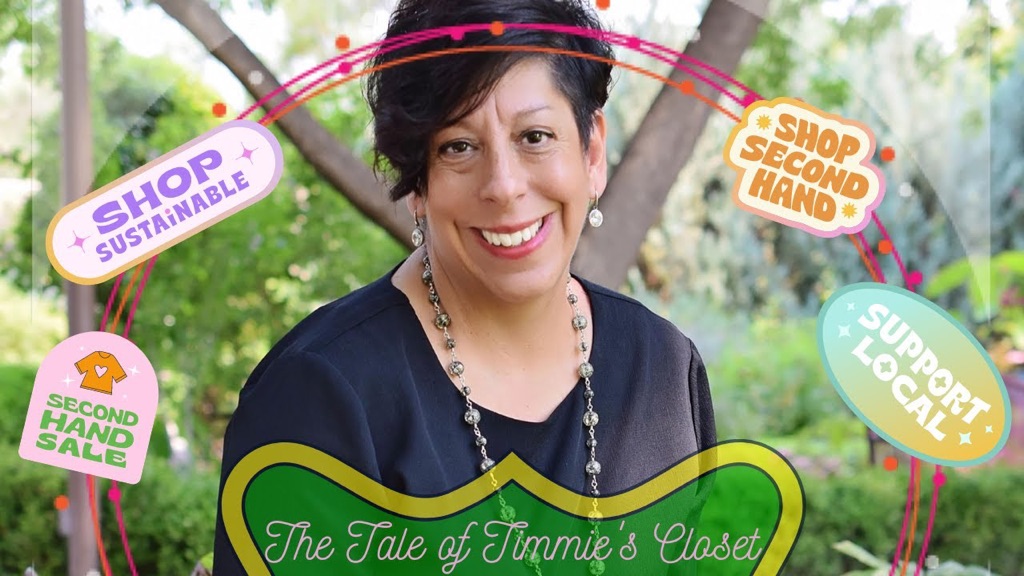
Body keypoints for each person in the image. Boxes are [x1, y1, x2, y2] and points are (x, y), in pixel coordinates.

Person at [212, 0, 716, 572]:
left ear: (592, 151)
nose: (503, 185)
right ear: (417, 182)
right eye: (458, 146)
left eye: (535, 136)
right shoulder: (319, 396)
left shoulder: (663, 366)